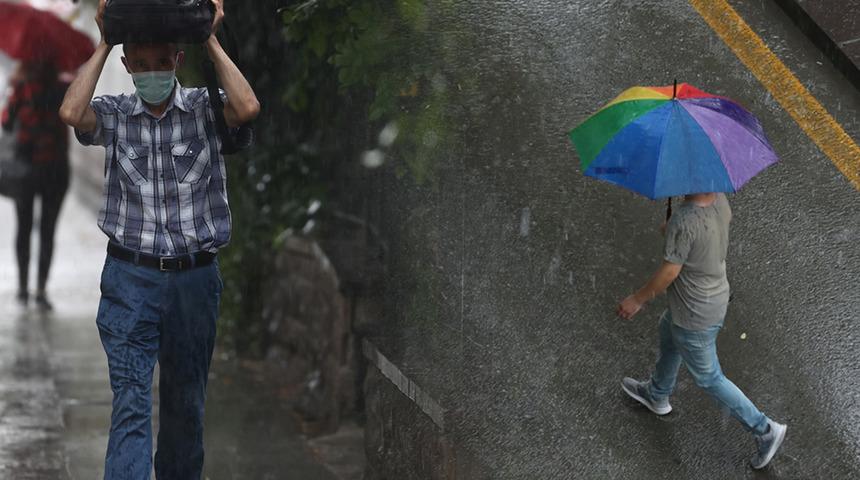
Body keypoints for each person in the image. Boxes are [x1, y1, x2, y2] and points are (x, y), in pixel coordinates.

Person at [58, 0, 259, 477]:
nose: (152, 73)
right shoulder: (115, 115)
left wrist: (208, 34)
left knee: (185, 411)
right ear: (128, 66)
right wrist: (106, 40)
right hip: (130, 280)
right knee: (130, 404)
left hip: (194, 284)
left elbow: (248, 107)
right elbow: (71, 110)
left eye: (161, 63)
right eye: (141, 65)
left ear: (177, 61)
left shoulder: (204, 111)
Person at [616, 192, 787, 470]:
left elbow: (670, 272)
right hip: (712, 296)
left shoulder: (685, 220)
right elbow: (702, 240)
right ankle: (658, 394)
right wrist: (672, 232)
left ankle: (764, 429)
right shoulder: (720, 201)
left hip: (695, 312)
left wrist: (637, 299)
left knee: (709, 377)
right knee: (668, 331)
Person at [1, 61, 70, 310]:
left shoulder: (22, 87)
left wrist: (17, 87)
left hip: (26, 170)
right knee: (47, 230)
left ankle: (22, 289)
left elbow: (6, 122)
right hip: (56, 169)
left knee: (24, 227)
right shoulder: (64, 87)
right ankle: (40, 290)